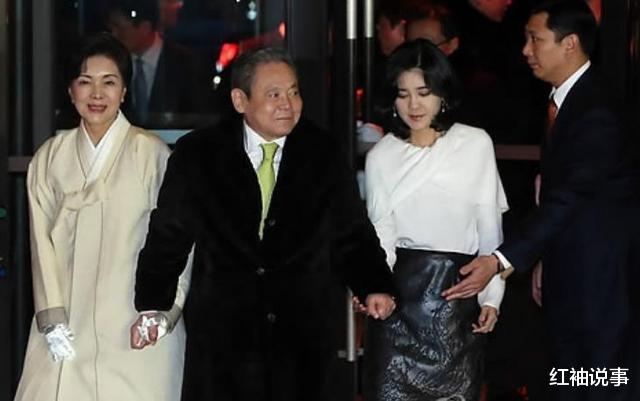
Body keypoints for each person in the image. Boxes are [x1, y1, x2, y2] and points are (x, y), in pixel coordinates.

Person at [129, 47, 397, 401]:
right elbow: (169, 234)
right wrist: (152, 303)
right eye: (274, 95)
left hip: (303, 338)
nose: (288, 104)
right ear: (240, 100)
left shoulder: (323, 153)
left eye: (294, 92)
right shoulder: (199, 154)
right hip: (223, 337)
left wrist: (374, 284)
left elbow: (351, 231)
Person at [443, 2, 640, 401]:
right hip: (572, 274)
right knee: (571, 379)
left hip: (601, 282)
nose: (526, 50)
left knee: (603, 380)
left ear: (570, 44)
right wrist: (542, 260)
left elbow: (569, 197)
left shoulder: (596, 109)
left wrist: (501, 260)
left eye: (535, 39)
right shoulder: (565, 101)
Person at [14, 32, 190, 401]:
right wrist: (52, 318)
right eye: (85, 81)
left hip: (134, 322)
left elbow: (179, 241)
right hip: (67, 326)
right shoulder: (50, 158)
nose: (97, 94)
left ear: (124, 91)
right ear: (70, 90)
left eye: (109, 82)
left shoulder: (151, 154)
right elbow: (40, 244)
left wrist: (163, 311)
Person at [362, 39, 507, 401]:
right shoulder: (381, 156)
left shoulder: (474, 144)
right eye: (403, 94)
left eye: (424, 93)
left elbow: (489, 230)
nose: (414, 105)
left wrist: (492, 298)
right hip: (399, 307)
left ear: (442, 93)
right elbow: (381, 235)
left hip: (457, 300)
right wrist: (371, 284)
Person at [107, 0, 211, 127]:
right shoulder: (113, 64)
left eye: (120, 27)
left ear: (145, 28)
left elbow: (201, 117)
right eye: (112, 27)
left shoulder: (186, 64)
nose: (114, 34)